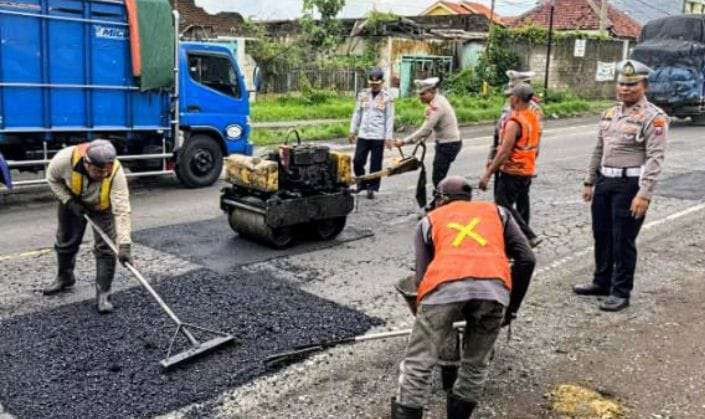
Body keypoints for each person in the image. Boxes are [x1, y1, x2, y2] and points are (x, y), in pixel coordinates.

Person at [391, 176, 536, 419]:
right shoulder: (498, 213)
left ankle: (407, 410)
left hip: (443, 291)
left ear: (441, 199)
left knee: (418, 363)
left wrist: (433, 316)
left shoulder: (429, 221)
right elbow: (527, 259)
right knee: (475, 365)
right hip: (493, 292)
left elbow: (421, 279)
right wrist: (510, 309)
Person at [573, 60, 668, 312]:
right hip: (605, 181)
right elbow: (599, 148)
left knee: (622, 239)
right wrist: (589, 180)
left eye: (632, 84)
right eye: (622, 84)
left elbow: (655, 159)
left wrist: (644, 194)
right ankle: (601, 282)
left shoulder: (654, 118)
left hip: (630, 185)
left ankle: (621, 291)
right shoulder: (610, 113)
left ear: (644, 85)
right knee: (601, 234)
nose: (625, 89)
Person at [44, 139, 133, 314]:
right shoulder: (65, 159)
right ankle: (65, 277)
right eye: (99, 171)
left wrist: (124, 245)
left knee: (106, 248)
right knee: (66, 240)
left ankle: (104, 294)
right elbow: (52, 179)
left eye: (106, 170)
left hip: (102, 206)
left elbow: (122, 210)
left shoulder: (116, 172)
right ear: (87, 163)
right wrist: (69, 202)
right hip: (73, 200)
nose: (104, 174)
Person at [479, 83, 543, 248]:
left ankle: (527, 236)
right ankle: (514, 239)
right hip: (526, 170)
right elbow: (536, 148)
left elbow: (504, 152)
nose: (509, 99)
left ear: (516, 99)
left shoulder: (514, 121)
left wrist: (487, 174)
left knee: (503, 206)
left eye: (510, 96)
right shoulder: (532, 117)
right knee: (514, 206)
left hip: (512, 171)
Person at [394, 77, 462, 196]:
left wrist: (403, 142)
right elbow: (430, 127)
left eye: (423, 94)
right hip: (447, 143)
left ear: (432, 92)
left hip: (448, 144)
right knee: (439, 175)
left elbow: (425, 129)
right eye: (419, 94)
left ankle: (443, 202)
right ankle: (440, 199)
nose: (420, 97)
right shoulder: (438, 100)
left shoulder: (437, 106)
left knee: (438, 177)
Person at [348, 67, 395, 199]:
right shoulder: (363, 95)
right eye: (372, 84)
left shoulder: (387, 97)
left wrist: (388, 138)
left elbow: (390, 118)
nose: (374, 86)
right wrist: (352, 130)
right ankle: (361, 184)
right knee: (357, 161)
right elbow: (357, 113)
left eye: (377, 84)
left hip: (378, 136)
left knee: (376, 164)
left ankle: (372, 188)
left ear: (382, 82)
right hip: (363, 134)